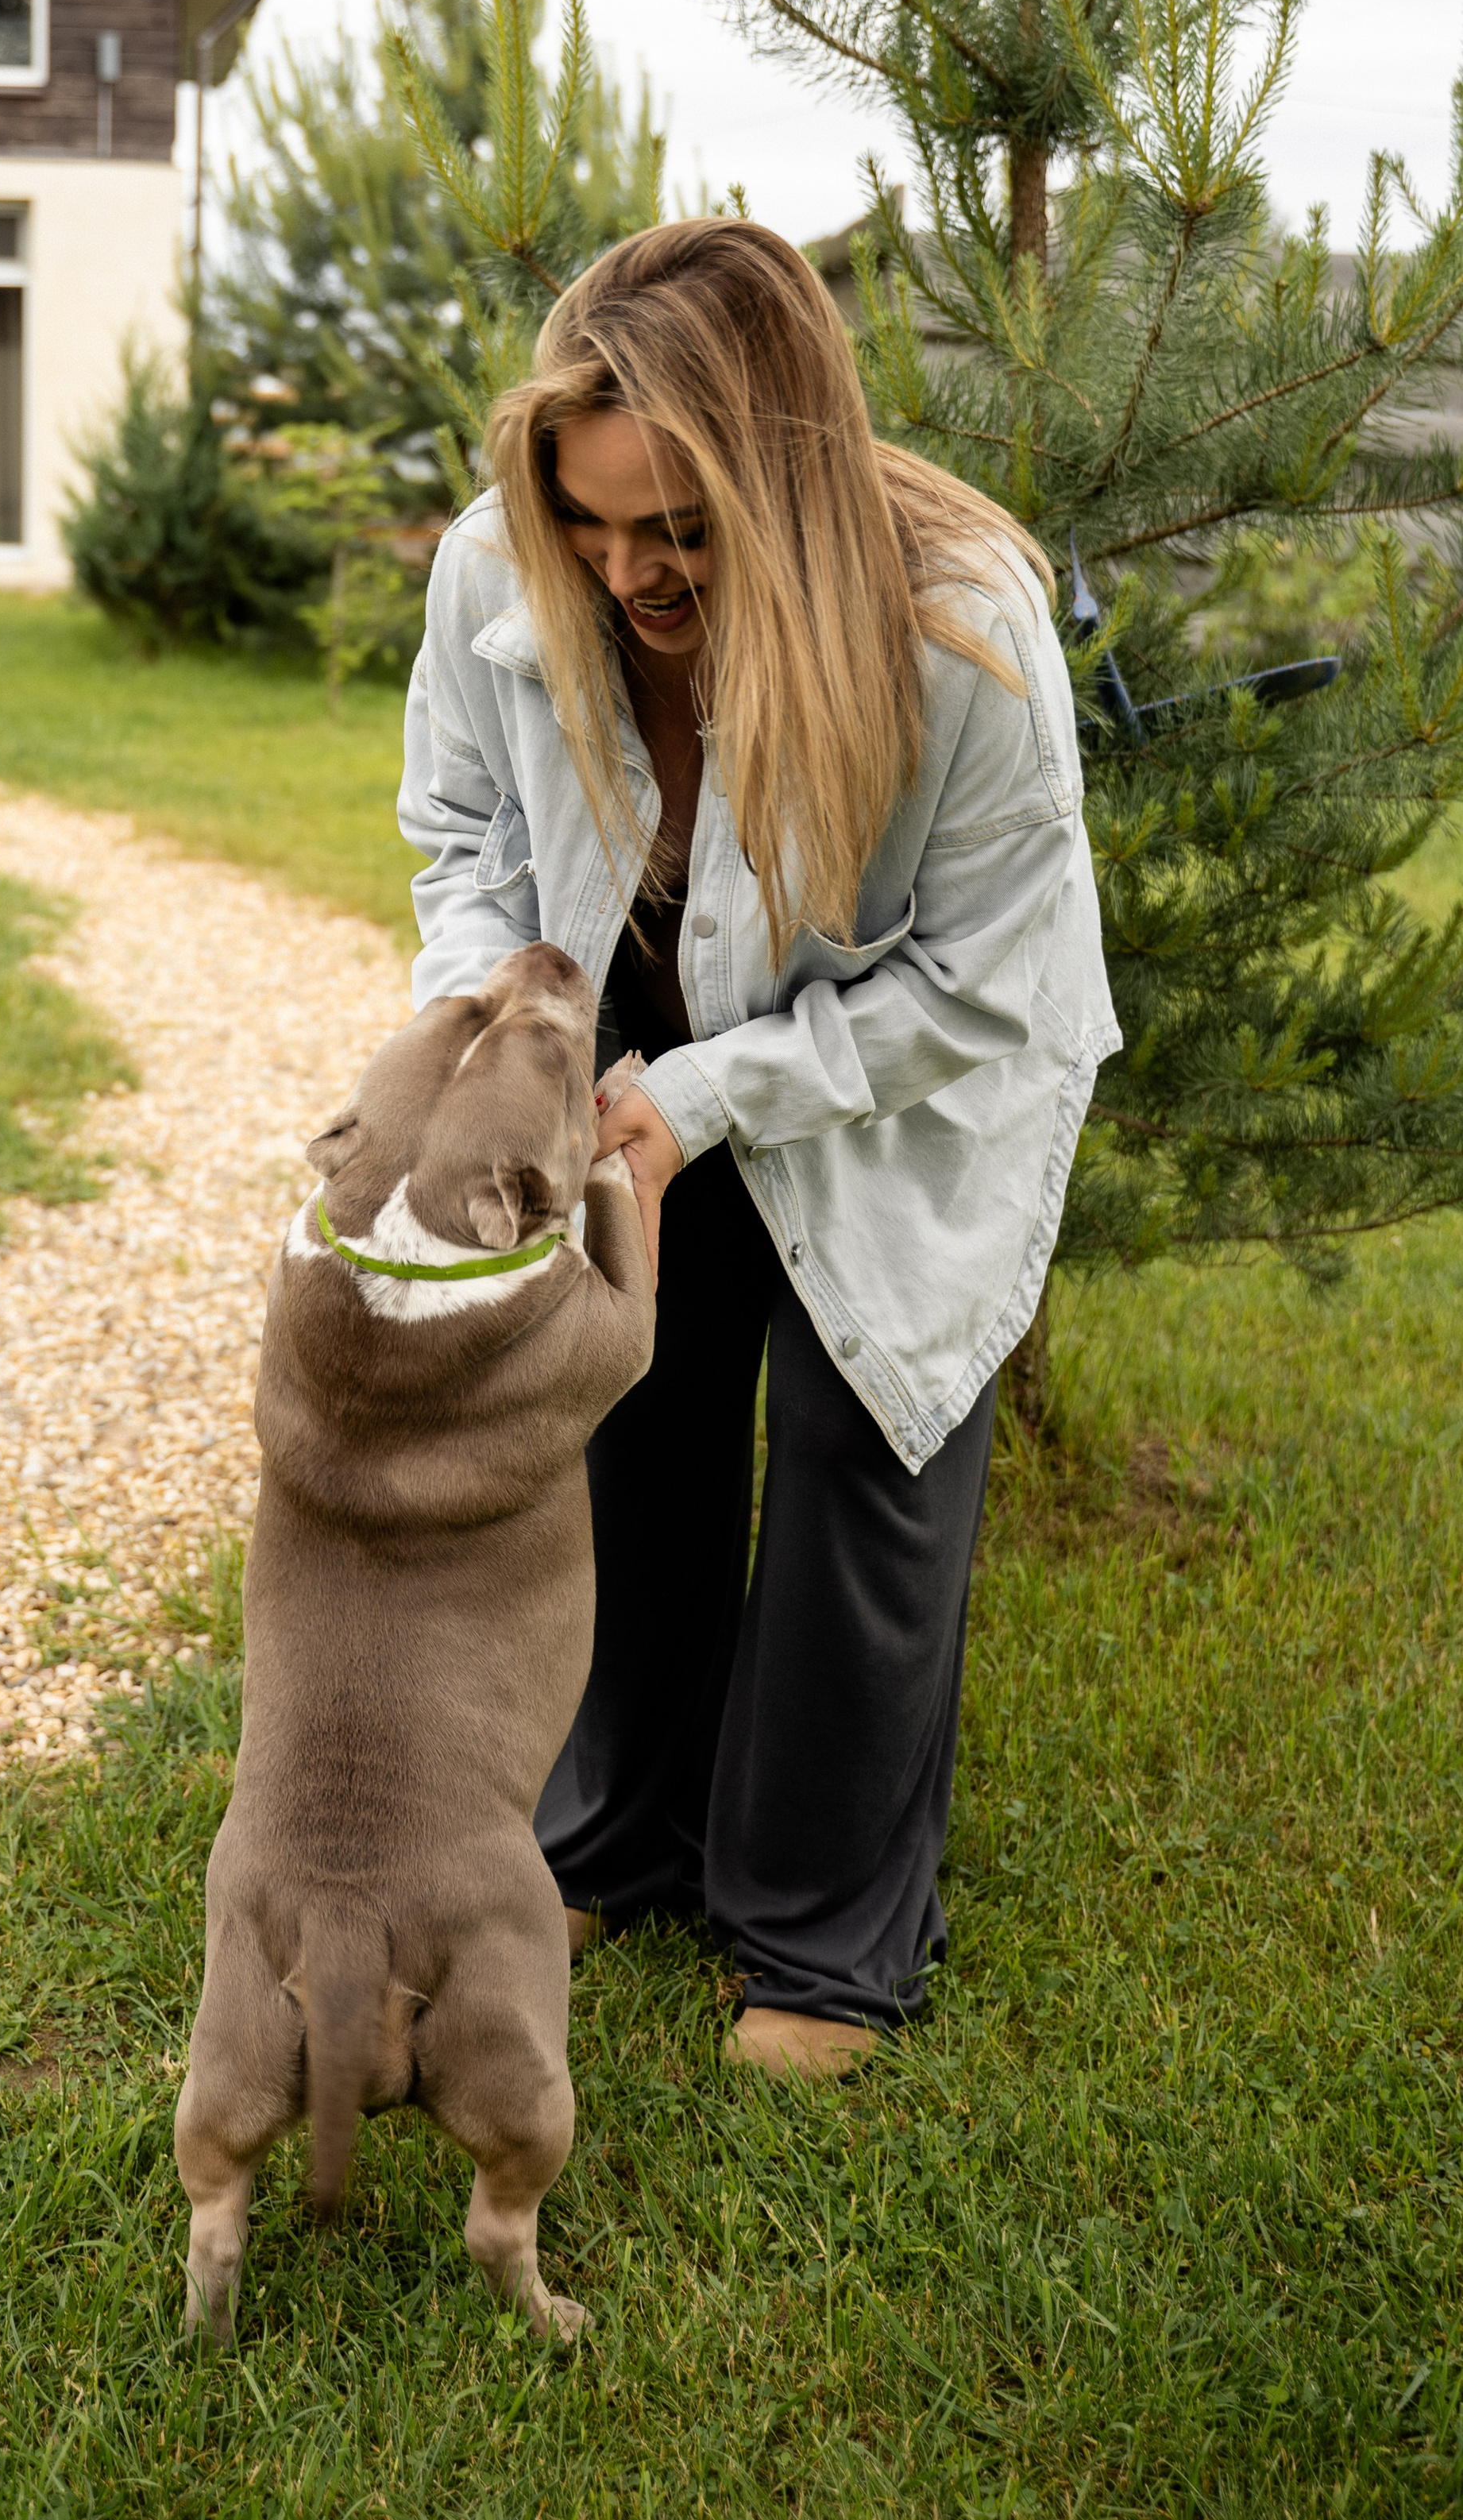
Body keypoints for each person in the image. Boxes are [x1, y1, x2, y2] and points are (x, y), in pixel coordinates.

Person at [397, 219, 1118, 2077]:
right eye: (591, 522)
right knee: (621, 1395)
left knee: (854, 1426)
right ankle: (615, 1829)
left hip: (905, 1058)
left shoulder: (959, 626)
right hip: (628, 998)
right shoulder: (502, 557)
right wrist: (507, 1022)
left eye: (682, 531)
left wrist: (716, 1095)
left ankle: (817, 1929)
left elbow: (986, 984)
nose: (625, 570)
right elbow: (464, 826)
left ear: (779, 475)